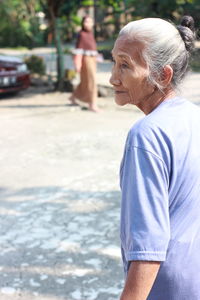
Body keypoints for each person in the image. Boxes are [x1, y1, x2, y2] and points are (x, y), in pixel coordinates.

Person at [110, 16, 200, 299]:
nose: (112, 77)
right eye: (113, 61)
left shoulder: (146, 136)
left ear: (163, 75)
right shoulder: (193, 116)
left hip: (166, 288)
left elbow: (147, 248)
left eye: (125, 65)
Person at [69, 16, 99, 112]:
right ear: (82, 23)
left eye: (90, 22)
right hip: (85, 60)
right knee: (92, 81)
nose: (88, 24)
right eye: (86, 22)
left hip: (92, 59)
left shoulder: (90, 34)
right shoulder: (81, 34)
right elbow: (78, 51)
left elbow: (91, 48)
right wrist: (77, 65)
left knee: (86, 81)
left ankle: (73, 97)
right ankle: (92, 104)